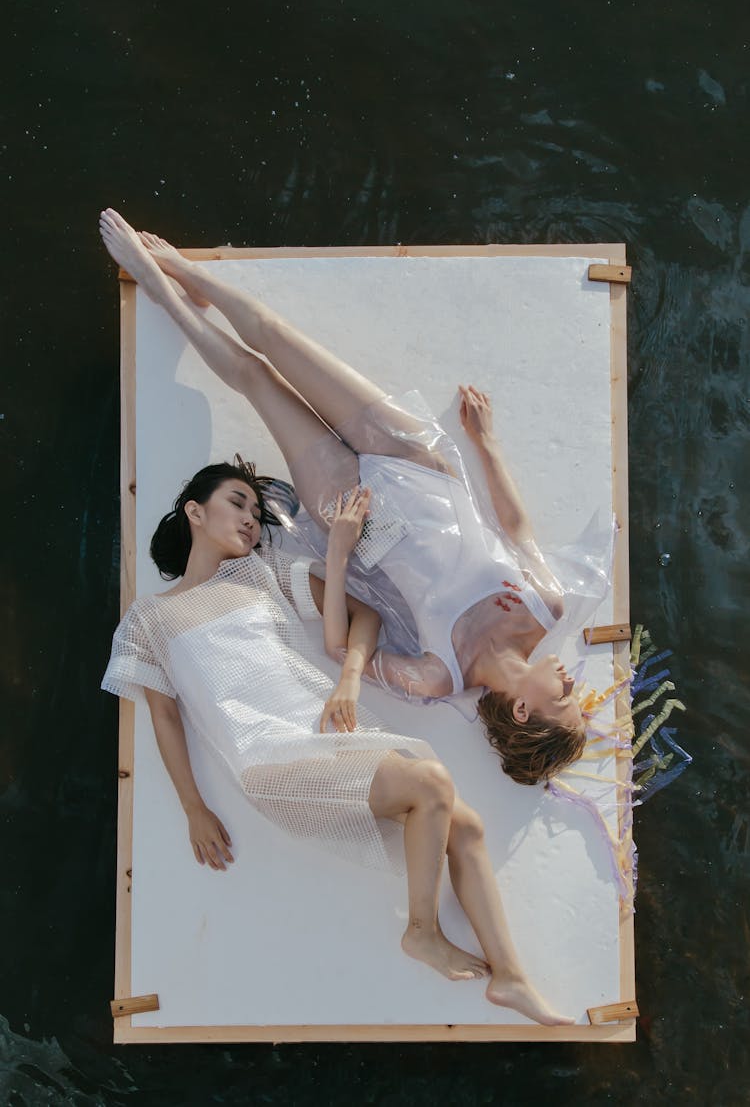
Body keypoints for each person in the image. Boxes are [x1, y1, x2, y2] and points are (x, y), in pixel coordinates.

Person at [99, 208, 589, 789]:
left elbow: (339, 645)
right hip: (415, 461)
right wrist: (487, 444)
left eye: (565, 699)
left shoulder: (438, 676)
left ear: (523, 711)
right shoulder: (544, 608)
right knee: (280, 340)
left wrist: (338, 548)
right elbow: (516, 526)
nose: (569, 681)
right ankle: (185, 273)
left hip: (353, 510)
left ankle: (160, 288)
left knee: (257, 378)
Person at [100, 454, 571, 1026]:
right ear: (194, 512)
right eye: (236, 503)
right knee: (431, 782)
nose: (251, 518)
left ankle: (512, 979)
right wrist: (193, 808)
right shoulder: (151, 618)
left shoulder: (264, 575)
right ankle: (421, 932)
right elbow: (165, 719)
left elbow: (362, 613)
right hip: (265, 760)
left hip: (318, 737)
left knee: (464, 825)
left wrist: (348, 682)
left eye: (255, 509)